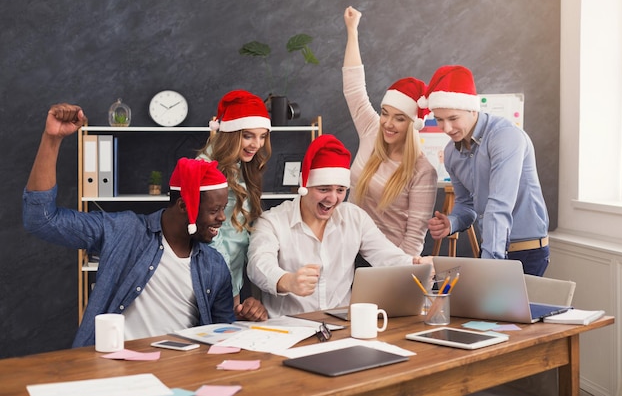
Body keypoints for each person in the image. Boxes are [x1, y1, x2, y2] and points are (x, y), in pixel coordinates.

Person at [23, 103, 236, 347]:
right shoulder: (124, 230)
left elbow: (223, 336)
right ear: (183, 206)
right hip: (115, 369)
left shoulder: (214, 265)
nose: (222, 218)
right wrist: (52, 140)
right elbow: (42, 220)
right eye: (214, 210)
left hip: (182, 372)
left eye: (223, 209)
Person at [246, 134, 433, 318]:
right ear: (305, 186)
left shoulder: (355, 217)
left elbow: (387, 256)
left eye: (340, 190)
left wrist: (416, 265)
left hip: (341, 327)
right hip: (288, 328)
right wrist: (288, 281)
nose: (333, 199)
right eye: (324, 189)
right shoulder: (272, 221)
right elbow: (258, 264)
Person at [422, 65, 550, 276]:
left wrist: (488, 267)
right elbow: (466, 204)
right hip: (491, 248)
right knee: (482, 309)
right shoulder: (452, 153)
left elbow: (499, 205)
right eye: (439, 119)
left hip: (526, 252)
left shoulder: (505, 137)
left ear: (473, 109)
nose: (445, 128)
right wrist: (452, 222)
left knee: (508, 310)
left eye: (453, 118)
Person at [342, 6, 438, 256]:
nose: (387, 123)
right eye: (385, 113)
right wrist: (352, 31)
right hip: (346, 252)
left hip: (386, 262)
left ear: (413, 124)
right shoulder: (372, 130)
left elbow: (415, 236)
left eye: (399, 118)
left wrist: (396, 276)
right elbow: (353, 87)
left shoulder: (422, 171)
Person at [197, 89, 271, 321]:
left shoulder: (240, 164)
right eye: (248, 136)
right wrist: (227, 282)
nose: (257, 144)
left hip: (234, 274)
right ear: (231, 133)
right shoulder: (208, 167)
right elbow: (209, 231)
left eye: (262, 136)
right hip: (215, 273)